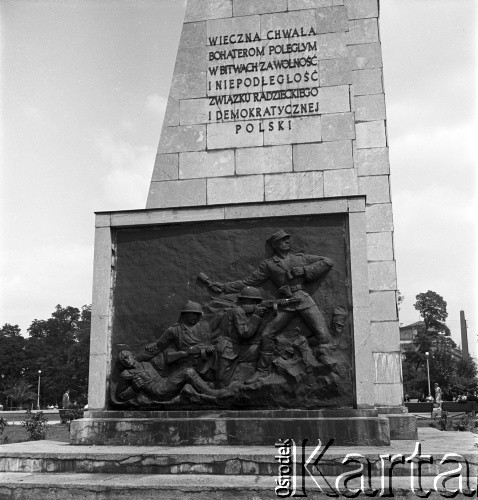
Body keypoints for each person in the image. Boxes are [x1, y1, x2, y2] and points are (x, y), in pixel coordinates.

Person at [209, 230, 334, 379]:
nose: (287, 242)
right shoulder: (269, 265)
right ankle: (262, 371)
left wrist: (305, 270)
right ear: (275, 245)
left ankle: (323, 365)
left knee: (323, 336)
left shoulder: (300, 259)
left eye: (288, 239)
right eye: (283, 240)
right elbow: (249, 282)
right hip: (286, 303)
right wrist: (224, 287)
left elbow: (328, 261)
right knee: (267, 334)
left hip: (304, 300)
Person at [116, 350, 223, 403]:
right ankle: (211, 393)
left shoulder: (146, 364)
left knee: (188, 368)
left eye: (126, 357)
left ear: (133, 356)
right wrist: (133, 388)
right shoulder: (126, 374)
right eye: (123, 360)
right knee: (188, 372)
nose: (126, 360)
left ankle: (206, 390)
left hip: (164, 383)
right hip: (158, 391)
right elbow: (120, 397)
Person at [214, 286, 267, 386]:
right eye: (253, 302)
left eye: (256, 303)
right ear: (244, 301)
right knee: (223, 382)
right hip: (228, 349)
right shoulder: (238, 311)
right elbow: (245, 334)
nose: (256, 306)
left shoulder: (236, 311)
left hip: (230, 348)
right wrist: (256, 316)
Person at [146, 301, 216, 377]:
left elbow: (209, 342)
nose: (195, 317)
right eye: (192, 314)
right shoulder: (174, 329)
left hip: (204, 361)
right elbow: (158, 347)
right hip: (185, 363)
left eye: (197, 314)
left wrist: (209, 349)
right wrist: (136, 361)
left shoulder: (204, 327)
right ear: (185, 315)